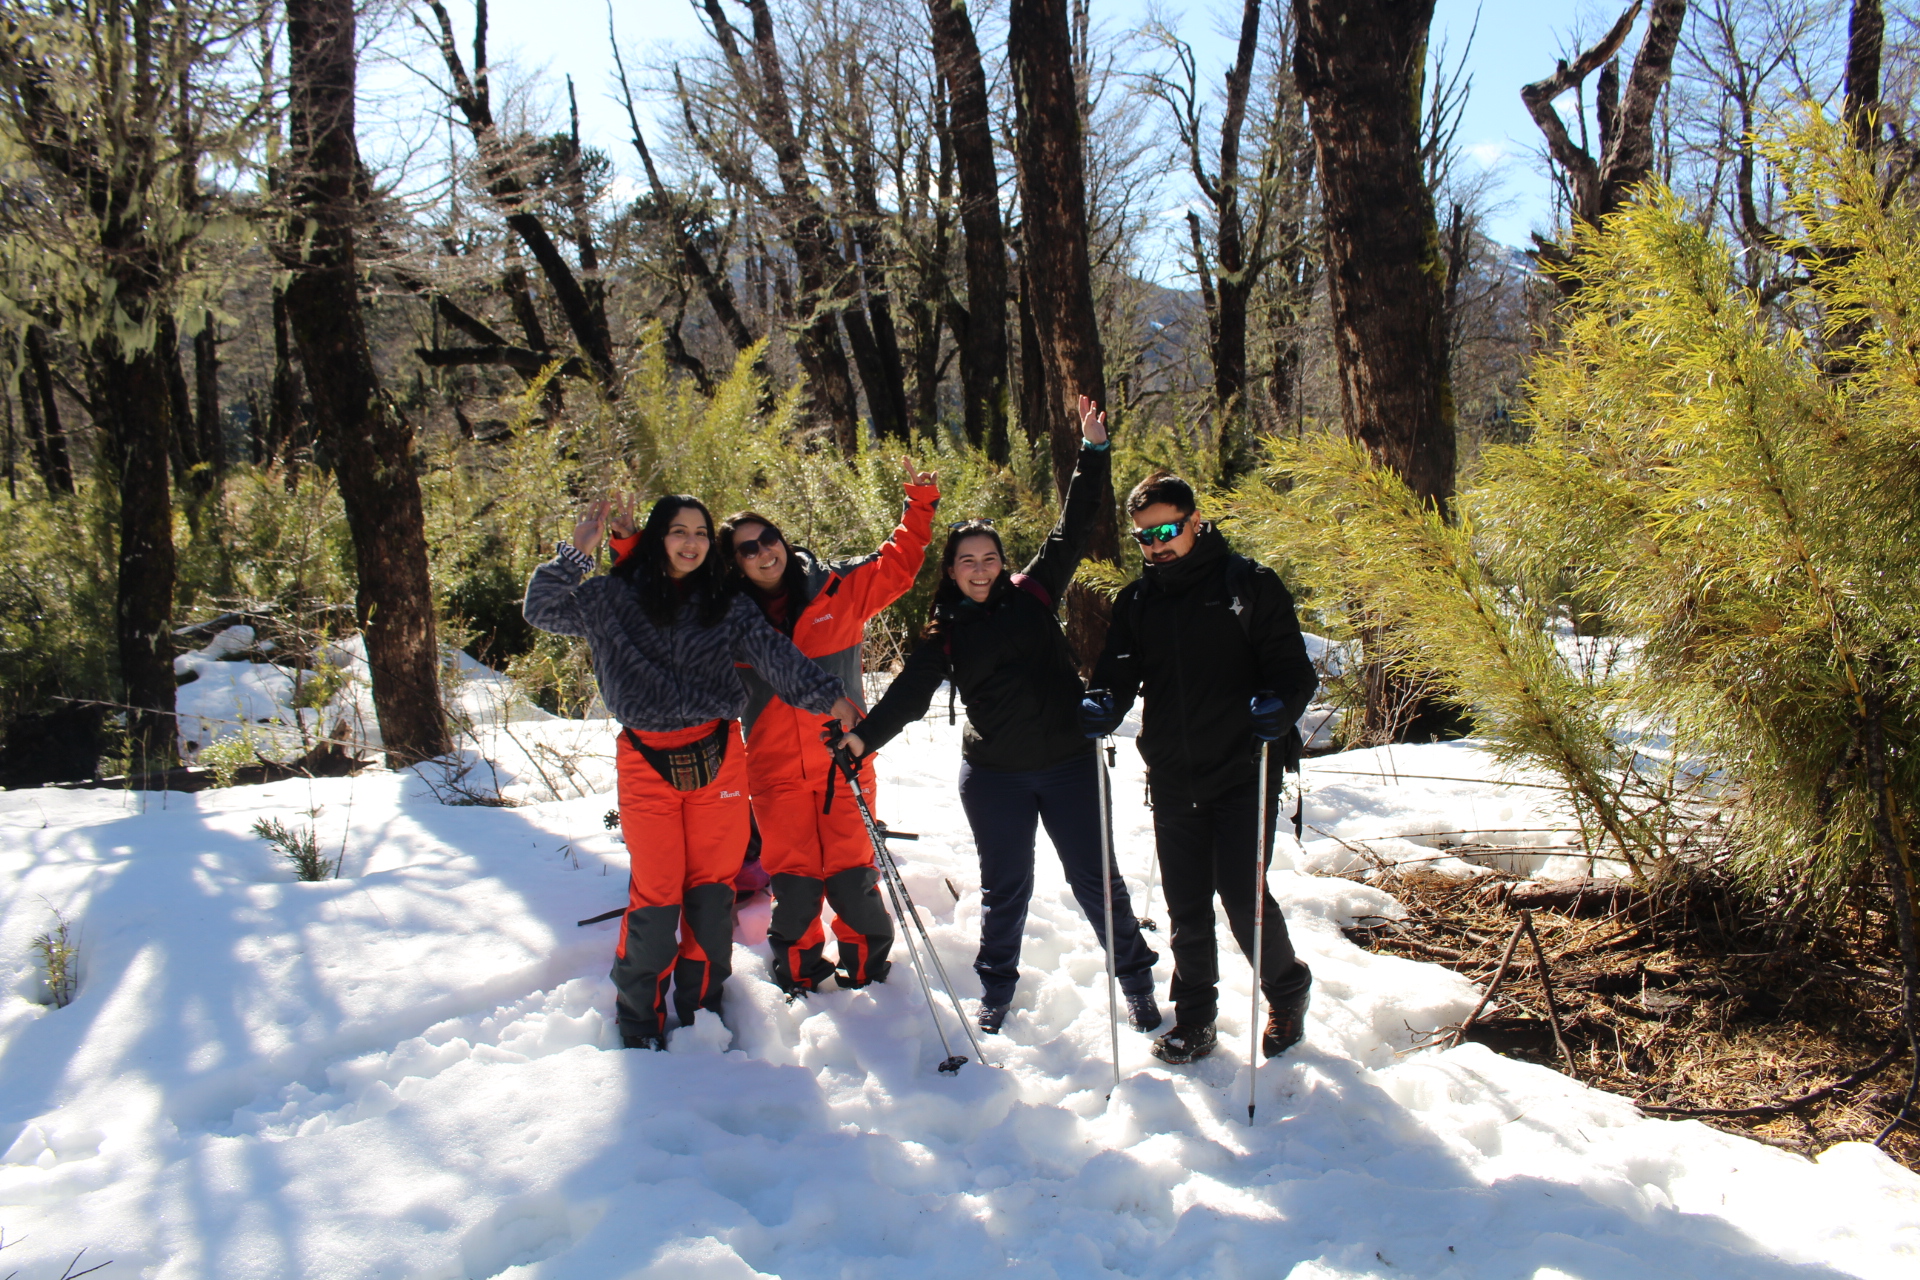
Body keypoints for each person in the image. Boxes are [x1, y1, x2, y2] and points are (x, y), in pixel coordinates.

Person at [835, 397, 1160, 1037]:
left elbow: (1074, 525)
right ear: (951, 572)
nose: (980, 569)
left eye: (989, 558)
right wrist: (862, 740)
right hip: (995, 778)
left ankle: (1138, 984)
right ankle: (997, 989)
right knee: (1005, 889)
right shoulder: (944, 633)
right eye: (967, 561)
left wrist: (1093, 453)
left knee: (1099, 883)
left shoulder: (1035, 592)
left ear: (1002, 562)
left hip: (1069, 765)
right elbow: (906, 697)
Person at [523, 493, 860, 1050]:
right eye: (679, 531)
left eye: (702, 533)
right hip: (646, 758)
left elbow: (776, 657)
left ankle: (702, 1004)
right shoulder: (611, 597)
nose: (691, 543)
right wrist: (574, 556)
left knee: (713, 889)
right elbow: (541, 610)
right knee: (656, 893)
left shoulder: (723, 602)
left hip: (719, 757)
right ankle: (639, 1018)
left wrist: (832, 698)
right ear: (659, 538)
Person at [1081, 472, 1319, 1064]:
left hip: (1243, 767)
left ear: (1195, 521)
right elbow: (1117, 674)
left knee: (1243, 898)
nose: (1155, 545)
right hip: (1173, 772)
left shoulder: (1250, 585)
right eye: (1143, 537)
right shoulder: (1139, 601)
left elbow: (1294, 672)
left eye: (1165, 530)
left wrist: (1279, 711)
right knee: (1185, 907)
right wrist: (1104, 702)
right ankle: (1195, 1020)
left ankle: (1288, 993)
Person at [716, 458, 941, 996]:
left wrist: (919, 503)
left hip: (844, 758)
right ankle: (799, 973)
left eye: (766, 538)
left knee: (851, 873)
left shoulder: (836, 587)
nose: (762, 552)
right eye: (746, 550)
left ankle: (868, 971)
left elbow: (898, 565)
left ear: (782, 539)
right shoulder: (729, 619)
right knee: (792, 882)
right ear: (735, 565)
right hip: (771, 769)